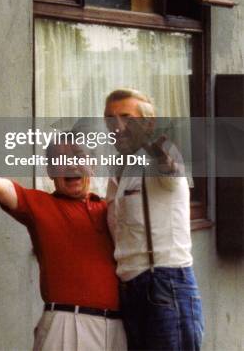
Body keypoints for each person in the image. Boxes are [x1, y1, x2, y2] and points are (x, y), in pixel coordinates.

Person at [0, 101, 126, 351]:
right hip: (67, 324)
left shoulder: (110, 209)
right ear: (50, 171)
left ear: (93, 167)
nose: (71, 164)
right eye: (61, 159)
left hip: (116, 327)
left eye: (79, 157)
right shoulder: (40, 204)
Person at [104, 88, 204, 351]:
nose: (117, 125)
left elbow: (170, 170)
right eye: (110, 118)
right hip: (131, 288)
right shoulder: (120, 168)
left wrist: (163, 158)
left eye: (126, 117)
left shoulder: (160, 154)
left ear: (148, 123)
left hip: (164, 282)